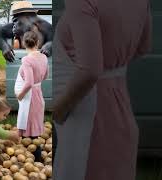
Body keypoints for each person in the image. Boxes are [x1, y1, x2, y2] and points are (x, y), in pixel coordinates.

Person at [52, 0, 152, 179]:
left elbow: (90, 71)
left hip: (84, 110)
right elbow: (143, 48)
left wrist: (59, 110)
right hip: (120, 104)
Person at [14, 31, 49, 162]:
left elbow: (28, 82)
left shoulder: (27, 60)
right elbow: (45, 76)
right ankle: (33, 161)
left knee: (29, 131)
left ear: (23, 43)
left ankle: (36, 160)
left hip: (30, 97)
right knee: (33, 126)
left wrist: (20, 95)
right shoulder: (44, 57)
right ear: (38, 42)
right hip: (38, 94)